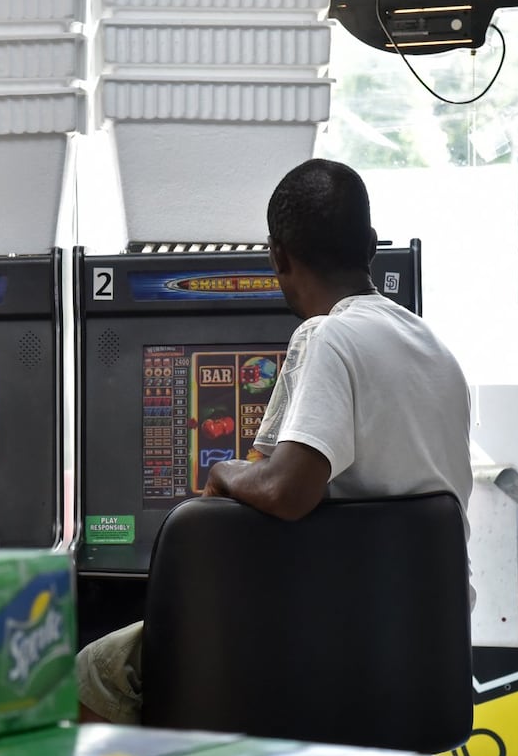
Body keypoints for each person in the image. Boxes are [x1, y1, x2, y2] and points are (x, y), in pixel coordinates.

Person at [76, 158, 473, 725]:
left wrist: (222, 474)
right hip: (426, 645)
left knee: (94, 669)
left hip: (322, 639)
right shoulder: (438, 353)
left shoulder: (326, 334)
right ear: (371, 245)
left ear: (277, 255)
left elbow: (284, 489)